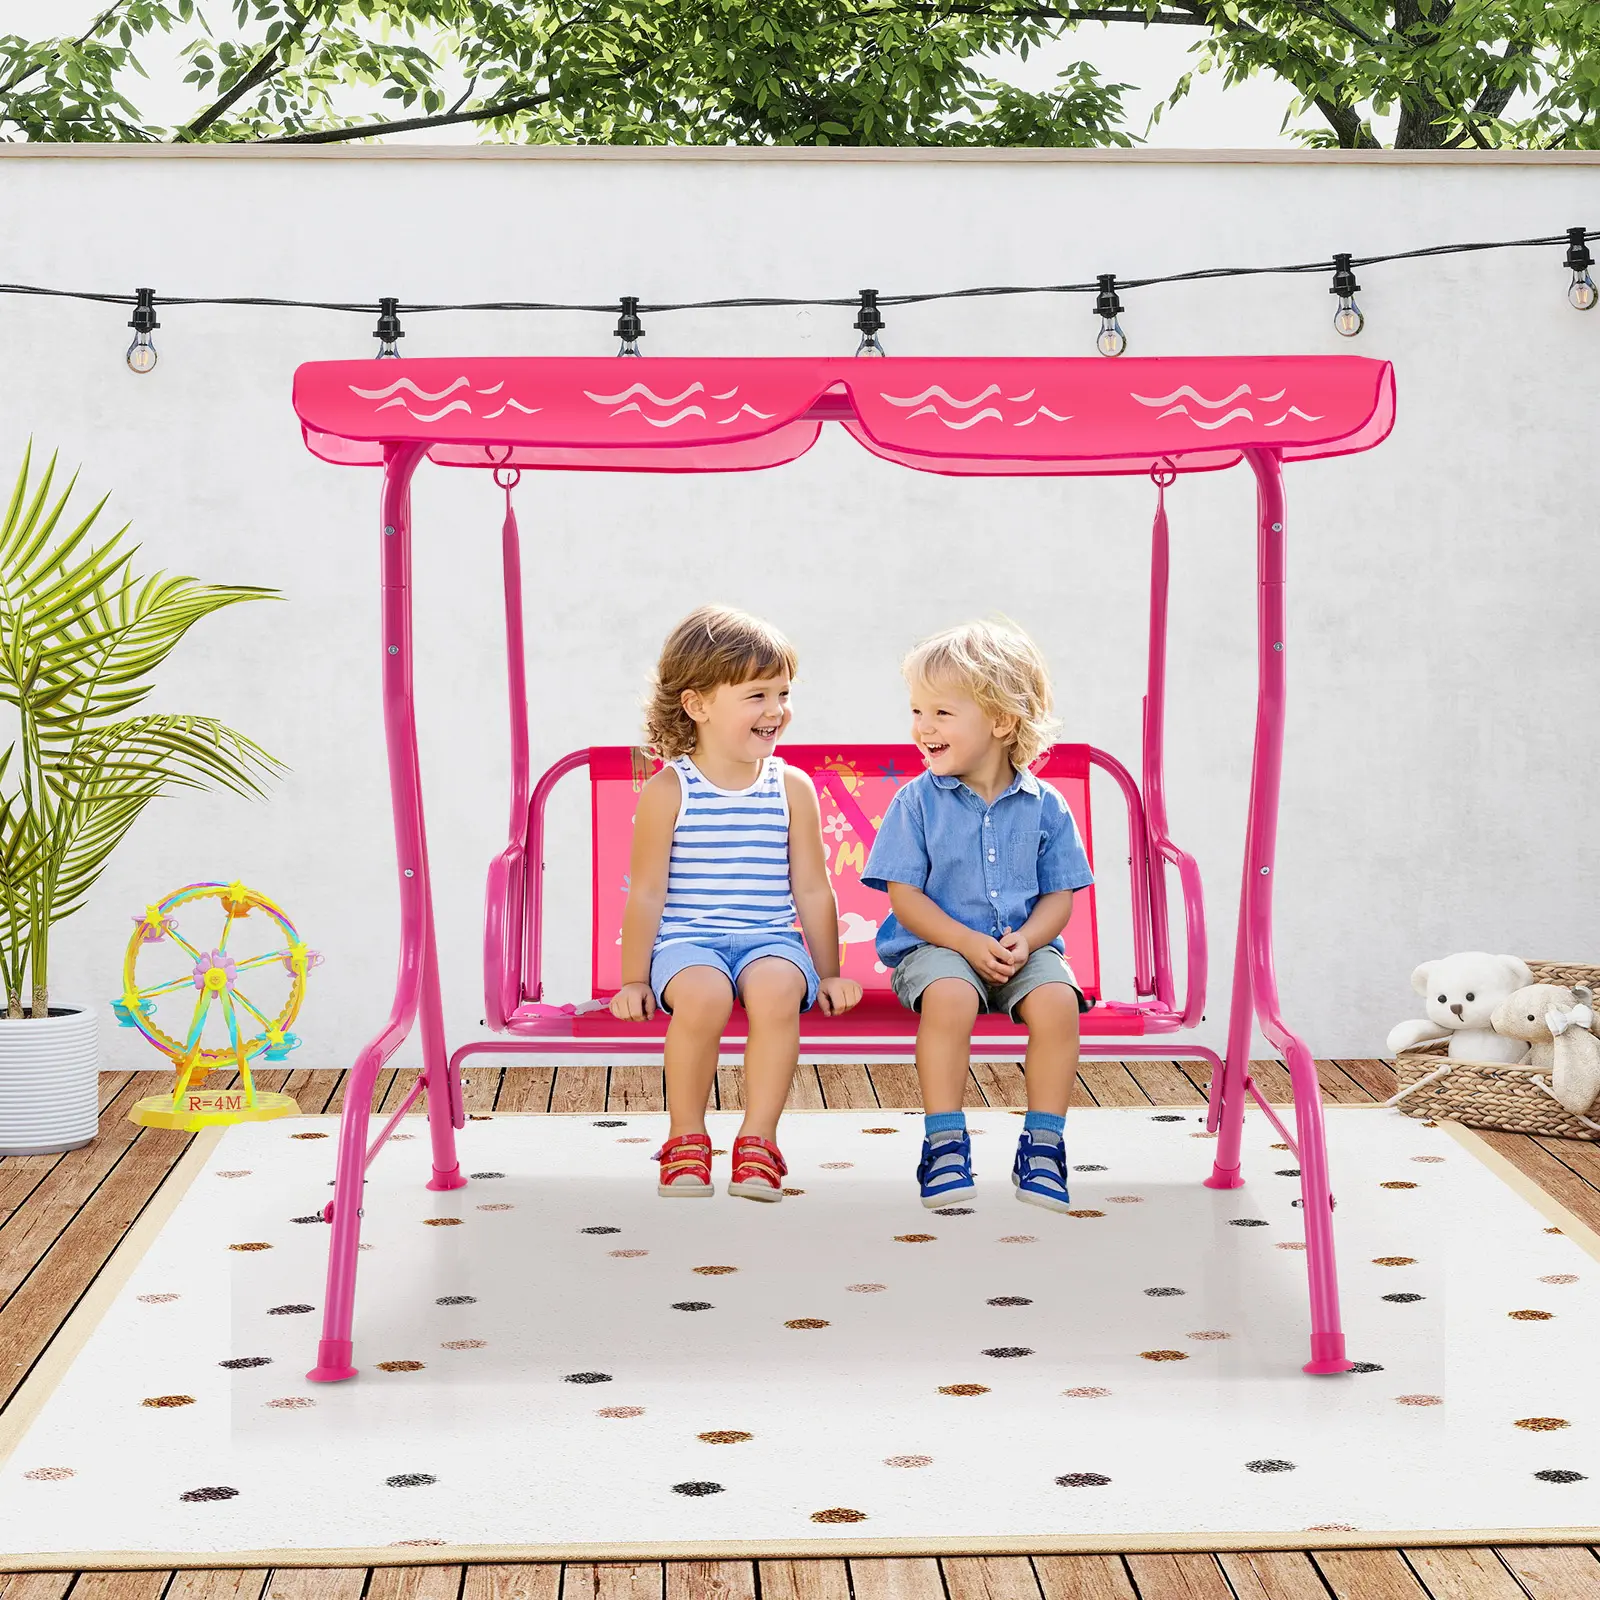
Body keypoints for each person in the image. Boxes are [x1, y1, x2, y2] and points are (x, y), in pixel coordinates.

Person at [610, 604, 862, 1199]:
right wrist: (633, 980)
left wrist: (828, 972)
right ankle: (686, 1137)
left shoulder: (790, 786)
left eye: (783, 693)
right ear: (697, 705)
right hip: (687, 944)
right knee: (704, 996)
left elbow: (812, 887)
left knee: (777, 989)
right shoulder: (669, 789)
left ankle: (758, 1141)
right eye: (757, 695)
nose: (776, 710)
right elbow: (647, 892)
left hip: (769, 939)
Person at [862, 618, 1094, 1211]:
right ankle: (945, 1143)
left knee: (1058, 1002)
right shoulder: (916, 802)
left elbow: (1059, 897)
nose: (923, 727)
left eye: (941, 713)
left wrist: (1028, 940)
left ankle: (1043, 1145)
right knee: (951, 998)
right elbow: (905, 898)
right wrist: (966, 942)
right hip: (935, 948)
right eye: (917, 711)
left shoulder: (1046, 806)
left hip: (1022, 950)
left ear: (1001, 720)